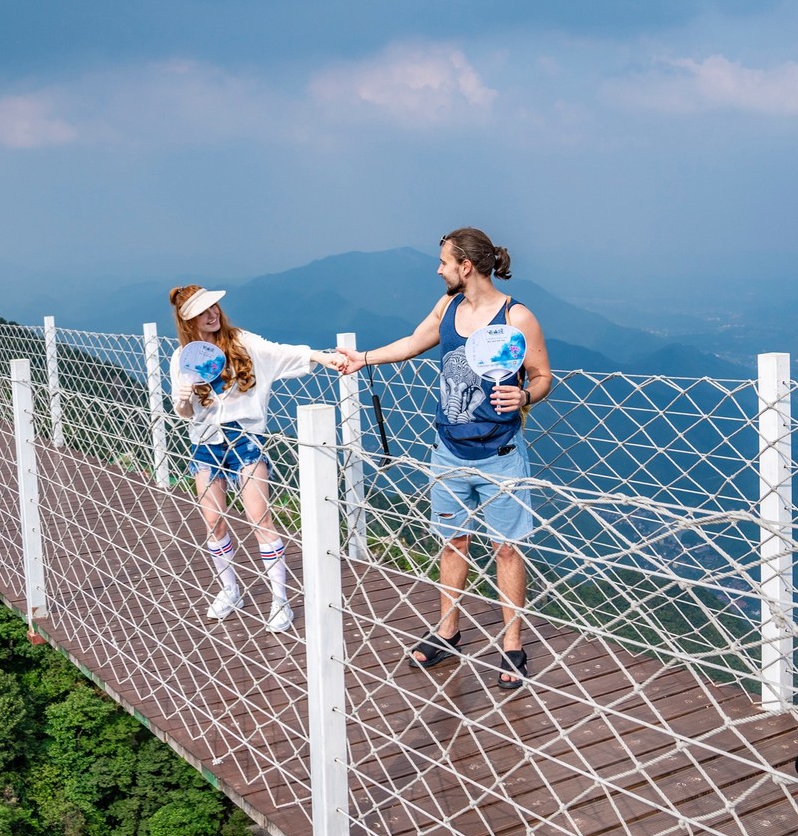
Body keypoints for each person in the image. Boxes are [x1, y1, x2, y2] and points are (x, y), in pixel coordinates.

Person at [338, 228, 551, 689]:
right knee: (453, 542)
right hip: (448, 450)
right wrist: (364, 359)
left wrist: (526, 395)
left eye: (444, 262)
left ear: (465, 267)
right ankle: (448, 632)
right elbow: (414, 343)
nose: (438, 270)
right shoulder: (448, 308)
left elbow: (542, 374)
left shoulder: (518, 317)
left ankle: (512, 646)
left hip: (500, 452)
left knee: (507, 549)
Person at [169, 285, 344, 632]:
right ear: (188, 319)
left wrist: (322, 357)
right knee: (213, 521)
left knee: (259, 519)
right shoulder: (183, 357)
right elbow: (184, 412)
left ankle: (280, 600)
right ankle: (230, 589)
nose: (212, 314)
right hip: (205, 443)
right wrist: (184, 397)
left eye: (214, 307)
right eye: (203, 311)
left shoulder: (242, 342)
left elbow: (280, 353)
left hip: (245, 438)